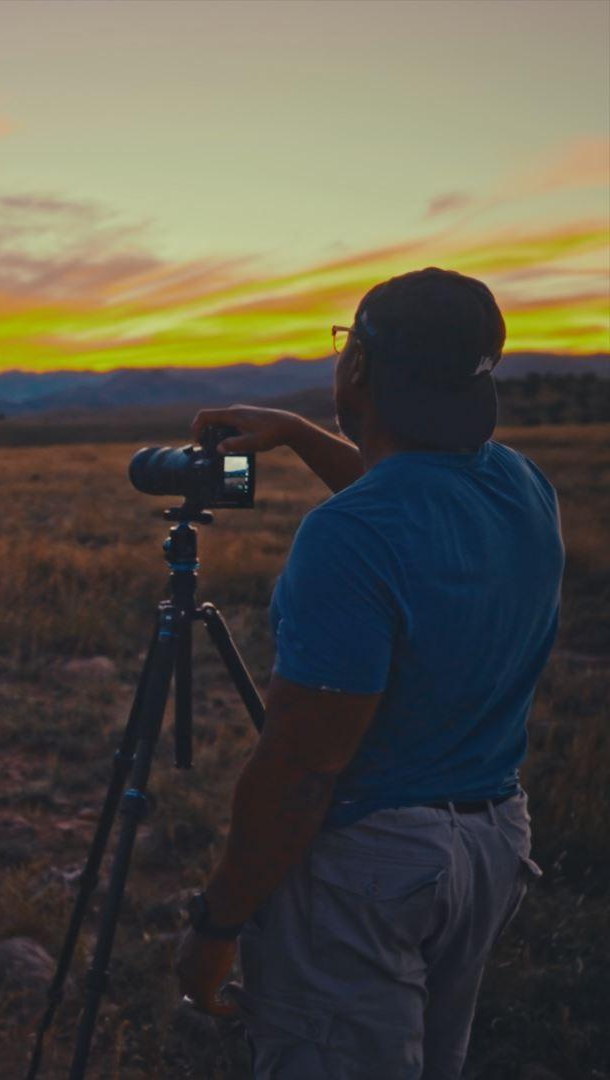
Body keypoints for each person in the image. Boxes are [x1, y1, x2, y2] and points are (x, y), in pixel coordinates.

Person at [173, 268, 564, 1079]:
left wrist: (218, 925)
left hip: (374, 871)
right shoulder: (521, 486)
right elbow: (409, 501)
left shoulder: (348, 536)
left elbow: (301, 771)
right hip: (491, 840)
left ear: (358, 366)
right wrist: (297, 432)